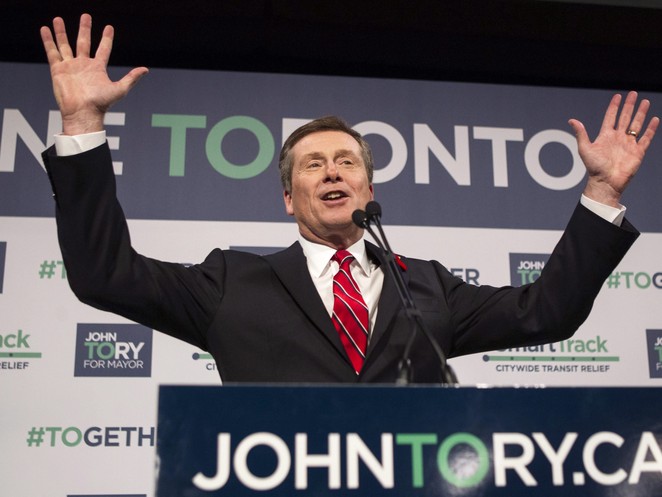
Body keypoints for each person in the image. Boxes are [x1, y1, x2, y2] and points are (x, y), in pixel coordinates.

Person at [40, 14, 658, 383]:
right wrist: (83, 125)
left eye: (346, 162)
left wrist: (602, 190)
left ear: (368, 188)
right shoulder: (231, 281)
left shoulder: (427, 287)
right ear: (289, 198)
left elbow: (546, 311)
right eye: (313, 164)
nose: (332, 171)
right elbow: (105, 275)